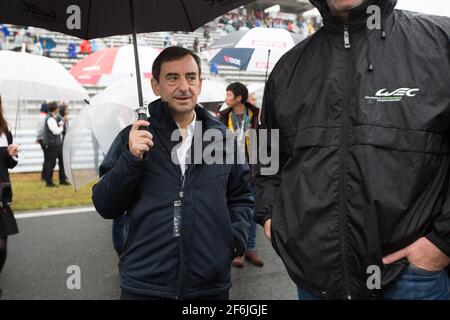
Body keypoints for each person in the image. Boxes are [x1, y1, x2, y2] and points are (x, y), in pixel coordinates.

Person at [256, 0, 450, 300]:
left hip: (413, 278)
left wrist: (441, 243)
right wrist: (272, 218)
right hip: (314, 280)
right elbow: (264, 154)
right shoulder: (288, 67)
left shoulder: (439, 42)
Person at [92, 46, 253, 300]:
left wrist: (233, 241)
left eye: (190, 77)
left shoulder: (224, 139)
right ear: (156, 86)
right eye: (172, 77)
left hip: (209, 286)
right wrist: (131, 158)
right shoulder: (133, 137)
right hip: (145, 285)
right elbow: (105, 205)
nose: (183, 86)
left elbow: (241, 197)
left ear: (200, 83)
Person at [219, 82, 263, 268]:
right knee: (231, 210)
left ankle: (249, 247)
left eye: (229, 95)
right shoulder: (223, 117)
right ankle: (236, 248)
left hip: (252, 170)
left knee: (250, 211)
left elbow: (268, 141)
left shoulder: (256, 115)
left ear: (238, 98)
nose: (226, 98)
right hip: (229, 171)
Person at [0, 96, 19, 298]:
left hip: (1, 192)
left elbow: (10, 165)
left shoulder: (5, 131)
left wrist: (11, 154)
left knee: (1, 247)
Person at [43, 102, 69, 187]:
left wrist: (63, 121)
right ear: (55, 109)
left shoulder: (54, 117)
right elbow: (56, 131)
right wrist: (62, 126)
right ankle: (48, 181)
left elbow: (58, 124)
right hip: (52, 145)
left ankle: (62, 179)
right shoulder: (50, 119)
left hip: (57, 144)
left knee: (61, 162)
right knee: (51, 164)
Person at [36, 102, 48, 181]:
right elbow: (41, 129)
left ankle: (44, 176)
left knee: (47, 158)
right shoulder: (43, 117)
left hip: (41, 138)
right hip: (43, 139)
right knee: (47, 158)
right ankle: (45, 176)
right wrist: (39, 137)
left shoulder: (40, 116)